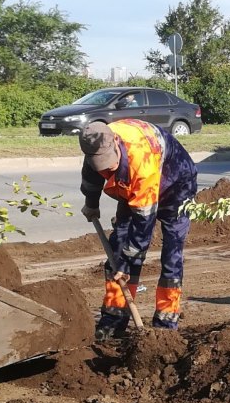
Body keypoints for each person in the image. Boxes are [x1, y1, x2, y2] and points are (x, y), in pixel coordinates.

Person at [79, 119, 197, 339]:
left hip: (176, 184)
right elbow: (91, 178)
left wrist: (126, 261)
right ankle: (114, 318)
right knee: (118, 248)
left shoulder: (141, 162)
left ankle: (165, 322)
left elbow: (144, 225)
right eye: (101, 164)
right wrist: (91, 203)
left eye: (110, 162)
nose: (108, 167)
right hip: (133, 185)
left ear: (116, 142)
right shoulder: (95, 140)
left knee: (171, 253)